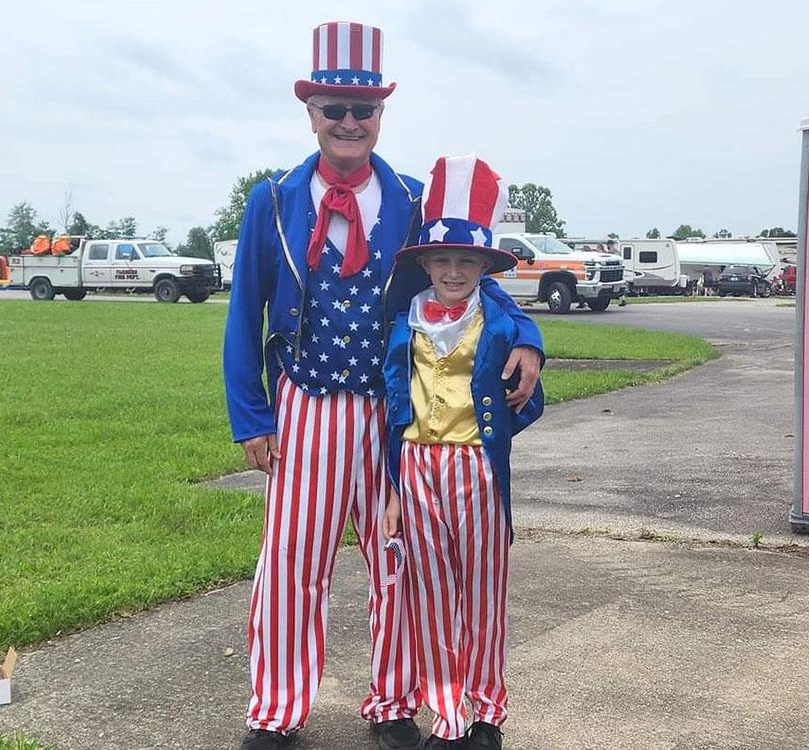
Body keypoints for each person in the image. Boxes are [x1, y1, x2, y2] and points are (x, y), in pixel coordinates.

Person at [222, 22, 544, 750]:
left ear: (380, 117)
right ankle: (276, 708)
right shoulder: (272, 201)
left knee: (400, 558)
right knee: (292, 562)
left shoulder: (408, 196)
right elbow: (245, 310)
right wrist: (250, 413)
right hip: (305, 403)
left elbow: (468, 275)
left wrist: (527, 334)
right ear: (310, 112)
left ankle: (394, 700)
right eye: (333, 108)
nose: (347, 123)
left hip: (397, 413)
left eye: (361, 110)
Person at [382, 156, 544, 750]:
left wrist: (493, 427)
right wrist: (395, 485)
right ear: (425, 262)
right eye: (443, 258)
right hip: (418, 464)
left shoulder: (498, 317)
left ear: (484, 266)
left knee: (483, 592)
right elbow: (393, 404)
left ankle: (487, 713)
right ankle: (446, 714)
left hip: (476, 468)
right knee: (430, 593)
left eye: (466, 260)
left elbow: (529, 397)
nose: (453, 270)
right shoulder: (406, 320)